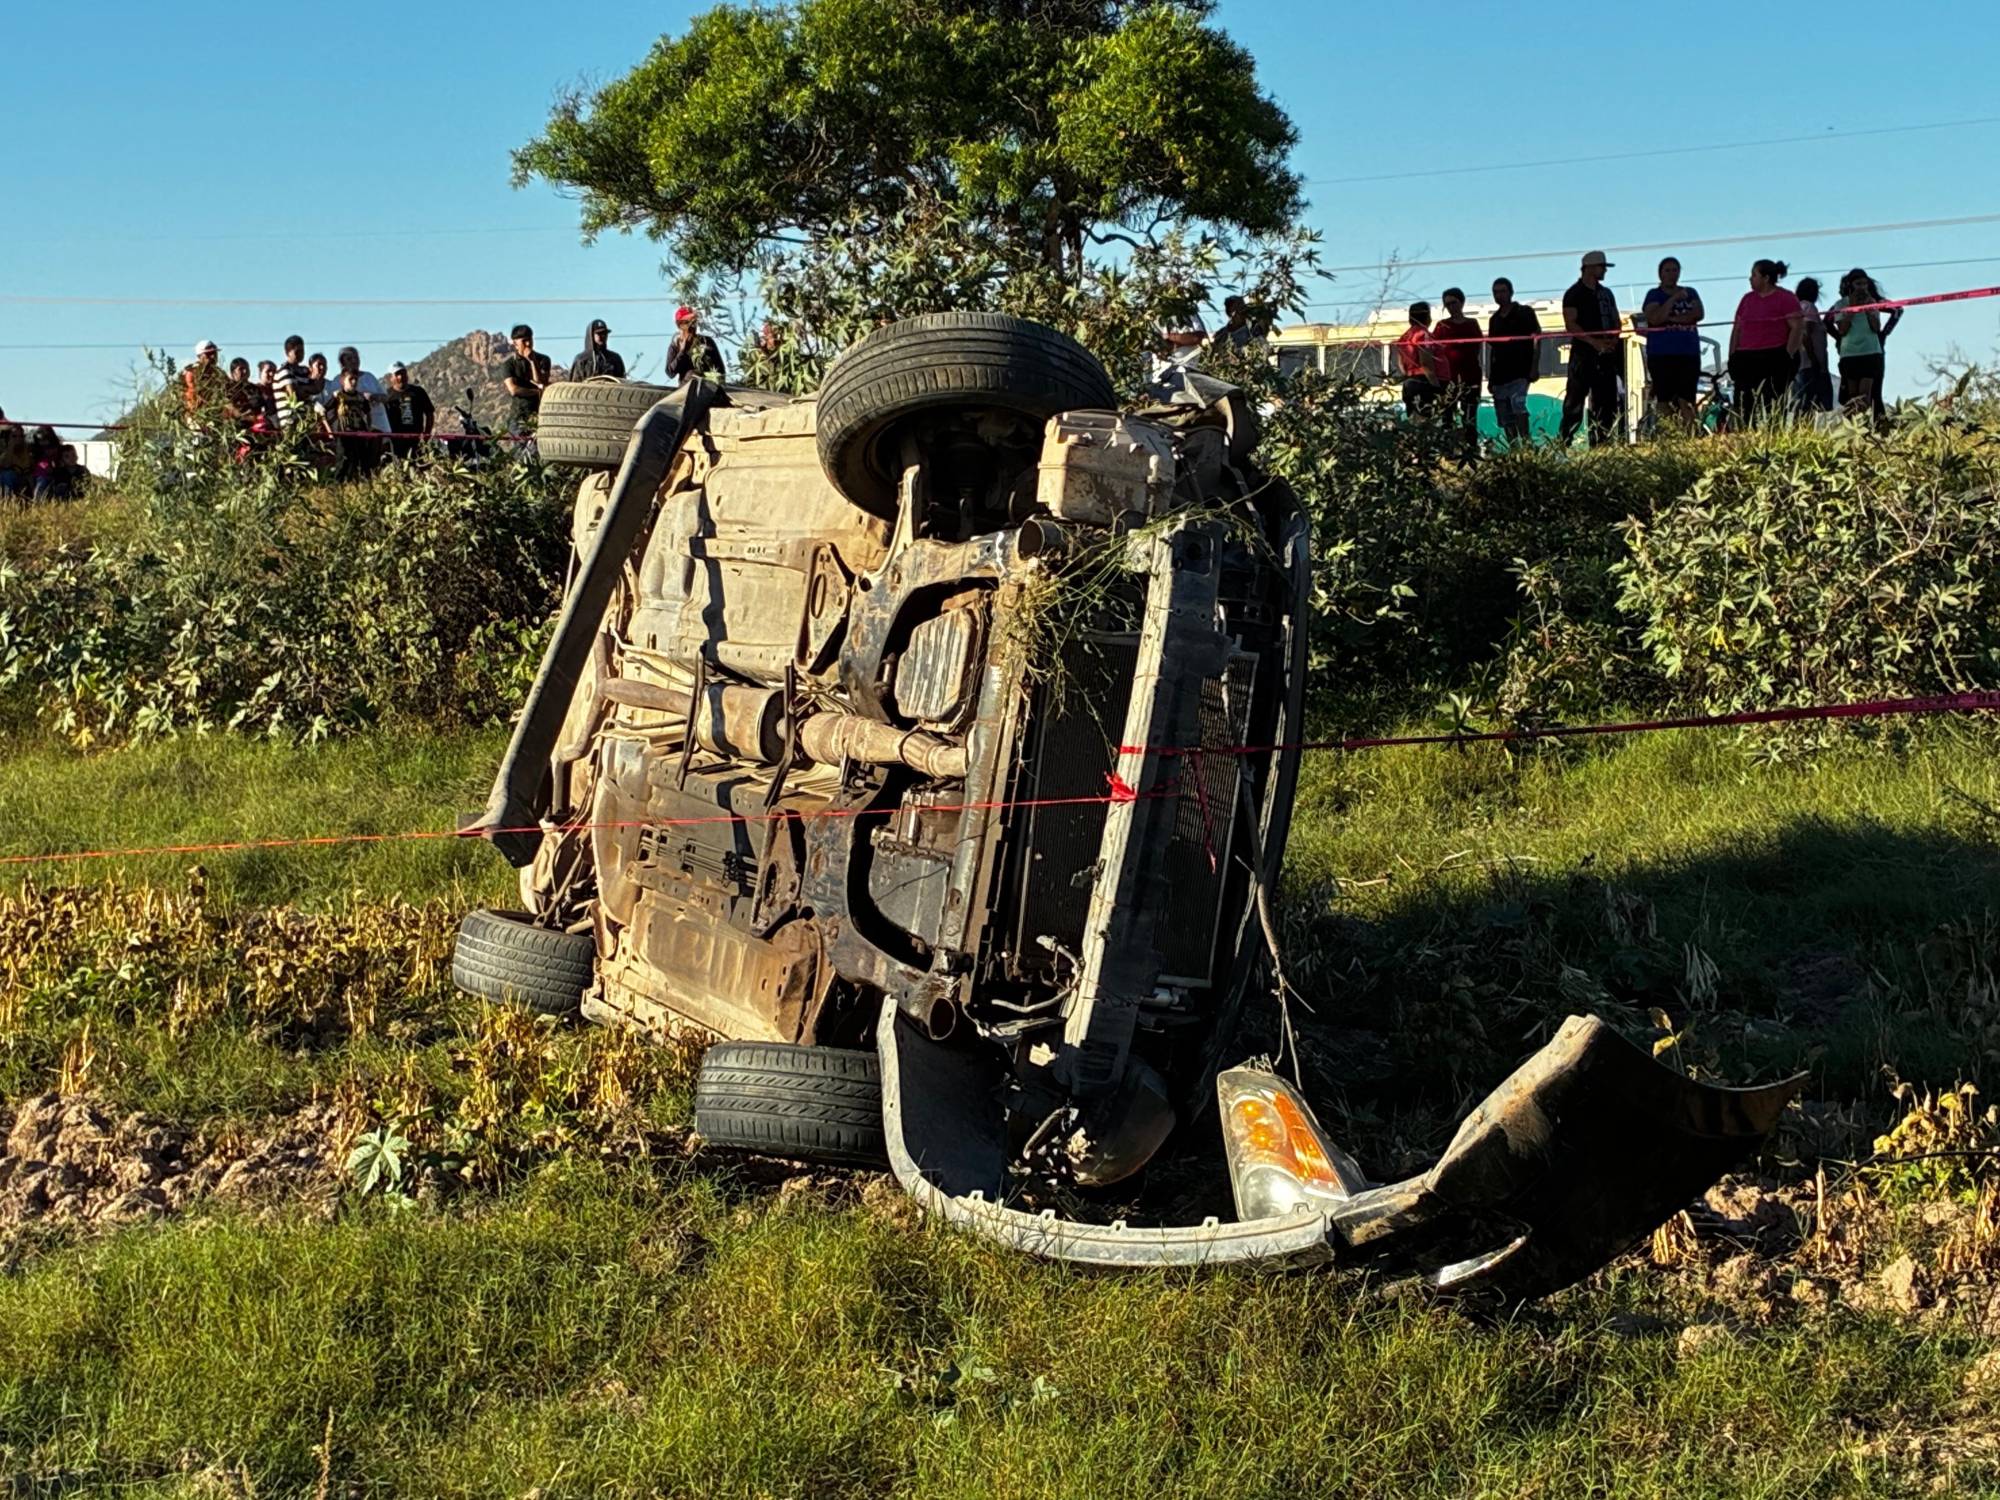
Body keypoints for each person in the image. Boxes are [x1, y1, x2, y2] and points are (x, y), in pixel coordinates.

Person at [1559, 251, 1622, 448]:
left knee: (1606, 405)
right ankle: (1563, 444)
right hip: (1583, 356)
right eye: (1602, 267)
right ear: (1590, 268)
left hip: (1606, 357)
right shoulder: (1573, 294)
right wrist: (1594, 342)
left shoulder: (1607, 294)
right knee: (1574, 404)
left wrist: (1612, 340)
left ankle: (1601, 447)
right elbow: (1571, 324)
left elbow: (1616, 320)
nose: (1604, 271)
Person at [1729, 258, 1804, 421]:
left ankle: (1773, 438)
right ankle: (1745, 437)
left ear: (1766, 278)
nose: (1750, 278)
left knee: (1772, 403)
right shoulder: (1747, 299)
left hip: (1773, 356)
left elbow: (1797, 327)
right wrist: (1732, 356)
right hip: (1746, 357)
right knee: (1743, 404)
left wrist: (1787, 355)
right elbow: (1737, 330)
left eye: (1754, 275)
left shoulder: (1786, 298)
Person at [1640, 257, 1705, 430]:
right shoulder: (1653, 295)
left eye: (1675, 270)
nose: (1671, 274)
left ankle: (1690, 433)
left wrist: (1671, 318)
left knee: (1687, 397)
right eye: (1667, 270)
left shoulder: (1690, 292)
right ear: (1660, 274)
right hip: (1661, 354)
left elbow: (1698, 313)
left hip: (1688, 353)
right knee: (1664, 398)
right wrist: (1674, 299)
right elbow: (1654, 317)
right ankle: (1668, 433)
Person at [1828, 268, 1900, 421]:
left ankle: (1866, 428)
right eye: (1858, 284)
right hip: (1850, 353)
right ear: (1850, 285)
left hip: (1870, 352)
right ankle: (1851, 429)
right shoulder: (1841, 304)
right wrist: (1852, 310)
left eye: (1864, 284)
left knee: (1866, 396)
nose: (1862, 287)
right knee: (1852, 396)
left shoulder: (1873, 302)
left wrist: (1872, 315)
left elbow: (1876, 327)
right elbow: (1842, 329)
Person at [1485, 277, 1541, 449]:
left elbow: (1537, 338)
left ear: (1510, 292)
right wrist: (1490, 377)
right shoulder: (1494, 319)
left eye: (1502, 291)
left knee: (1519, 409)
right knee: (1505, 416)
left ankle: (1527, 446)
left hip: (1520, 371)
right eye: (1495, 292)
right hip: (1500, 375)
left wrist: (1534, 366)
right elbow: (1492, 348)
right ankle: (1514, 450)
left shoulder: (1525, 312)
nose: (1499, 295)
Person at [1431, 287, 1484, 454]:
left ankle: (1471, 452)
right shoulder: (1442, 326)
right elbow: (1434, 350)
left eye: (1454, 302)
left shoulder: (1472, 324)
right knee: (1447, 417)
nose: (1451, 307)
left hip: (1471, 376)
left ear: (1462, 302)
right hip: (1448, 379)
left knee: (1469, 418)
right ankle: (1448, 453)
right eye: (1447, 304)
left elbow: (1478, 347)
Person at [321, 367, 381, 479]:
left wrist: (368, 427)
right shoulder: (338, 396)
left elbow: (368, 412)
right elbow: (322, 411)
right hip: (344, 434)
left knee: (362, 462)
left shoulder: (360, 397)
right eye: (351, 379)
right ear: (342, 380)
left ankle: (362, 486)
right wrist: (329, 431)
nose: (353, 382)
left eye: (356, 379)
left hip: (360, 433)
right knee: (343, 462)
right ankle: (338, 487)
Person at [1393, 301, 1445, 418]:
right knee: (1427, 423)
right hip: (1424, 383)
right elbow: (1426, 363)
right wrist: (1437, 387)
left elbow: (1401, 364)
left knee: (1414, 422)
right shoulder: (1423, 334)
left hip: (1410, 382)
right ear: (1427, 316)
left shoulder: (1405, 336)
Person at [1792, 277, 1834, 414]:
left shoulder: (1796, 308)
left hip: (1800, 363)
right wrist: (1814, 359)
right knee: (1809, 402)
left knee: (1803, 402)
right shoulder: (1808, 307)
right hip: (1810, 362)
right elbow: (1805, 334)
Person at [502, 324, 552, 432]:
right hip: (518, 417)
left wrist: (533, 361)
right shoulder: (509, 364)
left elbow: (540, 381)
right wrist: (537, 392)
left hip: (540, 415)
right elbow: (514, 390)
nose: (528, 344)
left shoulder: (543, 360)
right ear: (515, 343)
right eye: (524, 341)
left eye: (530, 340)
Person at [382, 362, 436, 461]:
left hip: (416, 440)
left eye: (403, 373)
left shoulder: (418, 392)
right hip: (395, 443)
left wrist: (427, 434)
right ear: (391, 378)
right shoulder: (386, 396)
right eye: (397, 374)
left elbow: (429, 413)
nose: (401, 377)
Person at [666, 306, 726, 384]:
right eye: (688, 322)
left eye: (694, 322)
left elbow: (720, 370)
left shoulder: (706, 342)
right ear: (680, 324)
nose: (692, 326)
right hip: (686, 390)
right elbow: (670, 372)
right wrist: (682, 352)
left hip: (707, 388)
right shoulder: (675, 345)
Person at [272, 336, 315, 428]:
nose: (300, 354)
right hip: (290, 421)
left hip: (305, 421)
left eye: (302, 351)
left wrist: (303, 389)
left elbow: (314, 390)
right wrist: (305, 390)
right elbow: (293, 395)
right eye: (297, 352)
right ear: (288, 352)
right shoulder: (284, 370)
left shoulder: (304, 371)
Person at [182, 339, 227, 420]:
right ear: (200, 356)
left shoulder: (220, 374)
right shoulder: (191, 372)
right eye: (209, 354)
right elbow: (193, 394)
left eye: (214, 353)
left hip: (216, 416)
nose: (213, 357)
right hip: (195, 415)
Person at [0, 410, 30, 497]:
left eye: (21, 436)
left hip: (21, 478)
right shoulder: (5, 447)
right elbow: (5, 464)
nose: (18, 439)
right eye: (14, 436)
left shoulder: (27, 448)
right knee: (7, 475)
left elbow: (28, 468)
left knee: (7, 475)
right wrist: (11, 447)